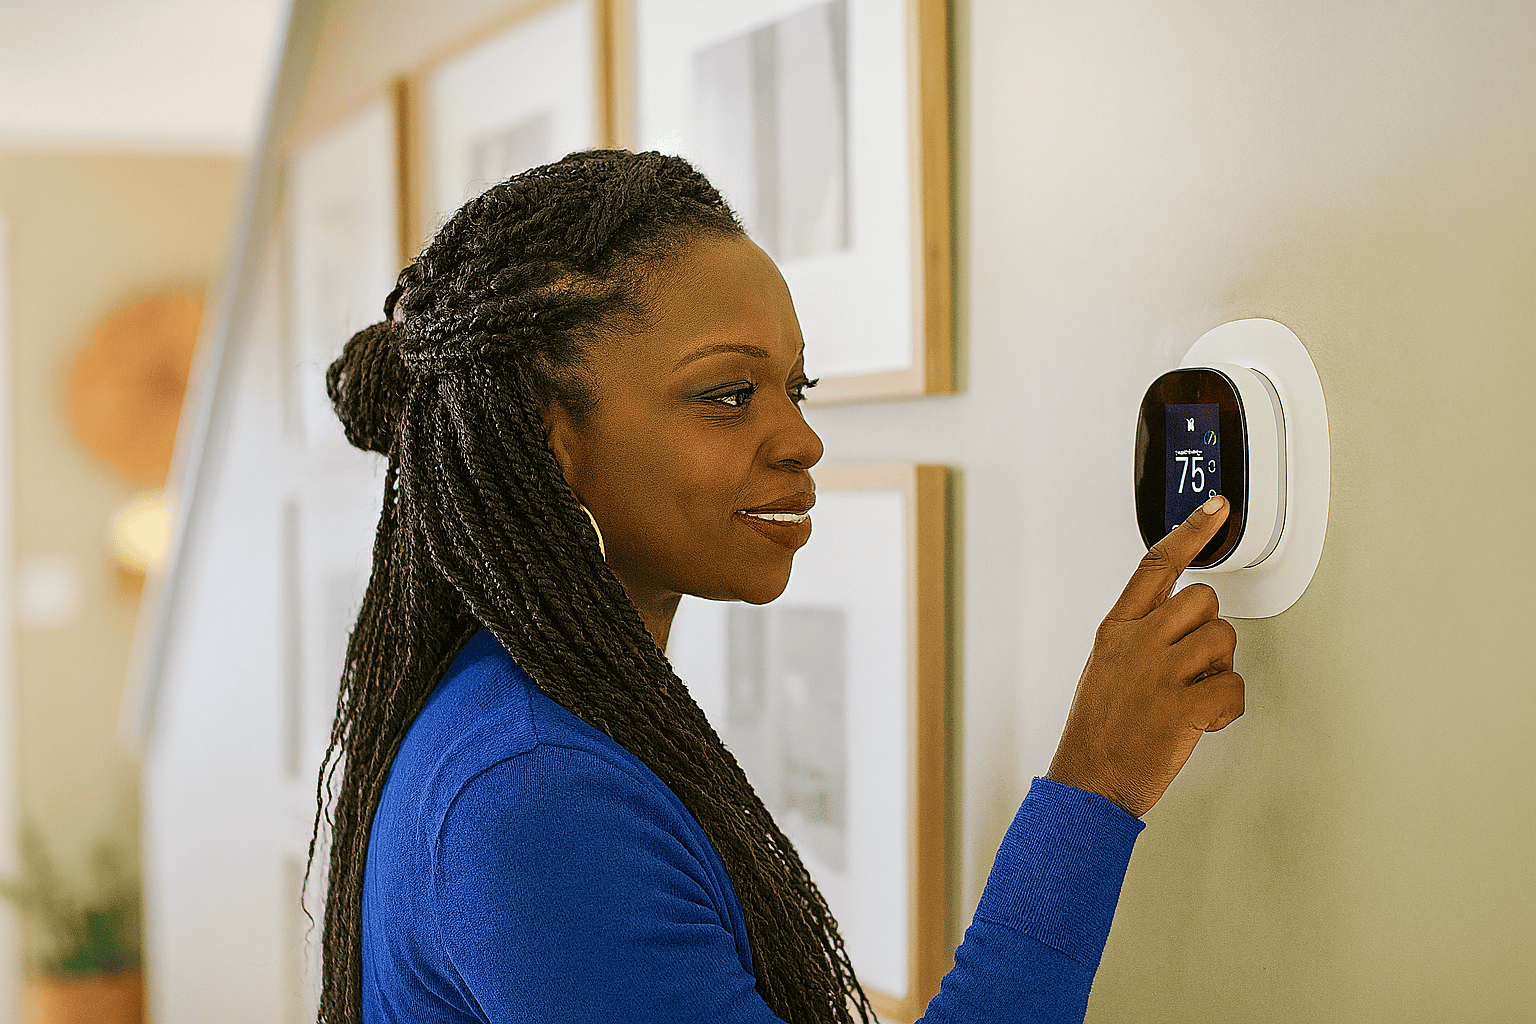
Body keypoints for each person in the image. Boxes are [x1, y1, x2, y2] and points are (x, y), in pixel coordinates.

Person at [315, 149, 1244, 1024]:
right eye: (727, 394)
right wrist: (1096, 785)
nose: (802, 440)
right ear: (554, 441)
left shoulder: (520, 714)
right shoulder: (533, 797)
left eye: (796, 388)